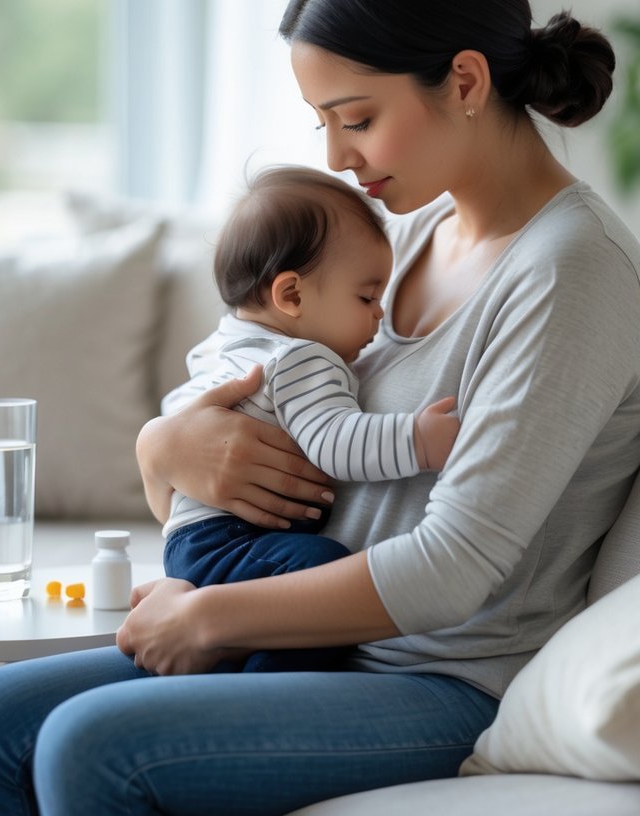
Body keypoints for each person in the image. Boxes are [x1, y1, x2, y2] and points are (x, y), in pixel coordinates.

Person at [0, 0, 640, 816]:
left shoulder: (571, 274)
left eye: (355, 117)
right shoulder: (403, 237)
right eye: (321, 120)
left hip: (443, 681)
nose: (335, 156)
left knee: (96, 748)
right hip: (314, 640)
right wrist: (165, 451)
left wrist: (209, 614)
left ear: (466, 80)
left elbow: (453, 568)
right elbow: (267, 464)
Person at [160, 164, 459, 672]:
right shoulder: (301, 357)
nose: (379, 316)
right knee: (323, 577)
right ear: (291, 296)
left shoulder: (225, 343)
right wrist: (420, 441)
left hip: (192, 541)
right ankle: (252, 695)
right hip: (233, 538)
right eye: (366, 297)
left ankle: (231, 659)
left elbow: (175, 414)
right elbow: (335, 442)